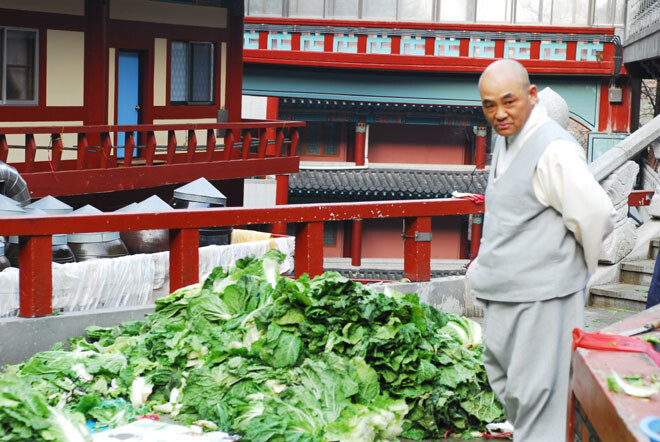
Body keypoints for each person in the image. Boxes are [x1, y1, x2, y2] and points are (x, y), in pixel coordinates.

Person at [468, 59, 615, 441]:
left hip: (544, 296)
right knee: (509, 386)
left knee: (540, 399)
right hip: (504, 290)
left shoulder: (554, 148)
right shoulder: (506, 138)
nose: (499, 113)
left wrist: (575, 268)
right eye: (489, 105)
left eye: (509, 101)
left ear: (532, 96)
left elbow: (595, 212)